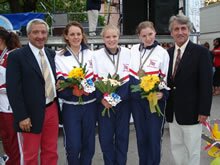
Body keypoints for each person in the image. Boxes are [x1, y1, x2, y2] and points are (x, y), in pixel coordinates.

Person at [6, 19, 59, 165]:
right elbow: (13, 89)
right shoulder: (16, 56)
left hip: (52, 109)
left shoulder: (51, 54)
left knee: (51, 151)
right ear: (28, 35)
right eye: (35, 32)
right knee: (30, 155)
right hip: (29, 114)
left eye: (43, 32)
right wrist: (22, 116)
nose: (40, 36)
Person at [165, 14, 213, 165]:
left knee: (192, 150)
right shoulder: (167, 53)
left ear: (189, 30)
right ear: (171, 32)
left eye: (183, 28)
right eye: (176, 29)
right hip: (173, 112)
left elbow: (206, 84)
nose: (180, 32)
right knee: (176, 148)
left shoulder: (201, 53)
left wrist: (204, 111)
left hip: (193, 112)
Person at [55, 21, 97, 165]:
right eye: (72, 34)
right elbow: (60, 85)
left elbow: (97, 79)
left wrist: (86, 88)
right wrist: (73, 91)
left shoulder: (92, 54)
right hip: (71, 107)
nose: (75, 37)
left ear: (82, 35)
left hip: (90, 106)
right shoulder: (59, 56)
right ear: (66, 36)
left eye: (78, 34)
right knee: (73, 146)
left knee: (89, 146)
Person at [129, 21, 170, 165]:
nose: (148, 38)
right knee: (141, 137)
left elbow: (165, 79)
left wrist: (163, 94)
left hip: (154, 100)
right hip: (137, 102)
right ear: (139, 36)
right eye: (144, 35)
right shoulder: (132, 50)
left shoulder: (162, 53)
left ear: (155, 33)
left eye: (150, 34)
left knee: (154, 137)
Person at [92, 24, 131, 165]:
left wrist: (115, 99)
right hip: (104, 104)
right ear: (103, 38)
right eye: (108, 37)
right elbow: (93, 80)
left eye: (114, 36)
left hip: (123, 102)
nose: (111, 39)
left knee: (122, 137)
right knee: (106, 138)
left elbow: (130, 80)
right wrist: (102, 99)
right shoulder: (95, 55)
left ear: (119, 37)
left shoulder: (129, 53)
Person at [0, 28, 21, 165]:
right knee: (6, 139)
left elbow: (18, 82)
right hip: (2, 107)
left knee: (13, 141)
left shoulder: (13, 55)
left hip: (10, 107)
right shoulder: (2, 55)